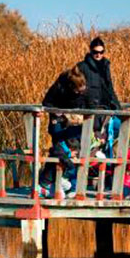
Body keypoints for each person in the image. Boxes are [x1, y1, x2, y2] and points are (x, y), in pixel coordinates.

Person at [39, 67, 94, 197]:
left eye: (83, 89)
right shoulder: (60, 87)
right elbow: (46, 102)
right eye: (77, 91)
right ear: (71, 87)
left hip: (76, 124)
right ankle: (50, 182)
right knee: (60, 151)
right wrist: (58, 113)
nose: (81, 92)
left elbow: (92, 106)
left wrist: (83, 116)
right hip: (59, 122)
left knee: (76, 153)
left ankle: (73, 186)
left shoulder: (85, 89)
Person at [76, 37, 122, 153]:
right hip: (91, 110)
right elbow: (77, 90)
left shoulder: (105, 66)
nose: (98, 55)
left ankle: (104, 154)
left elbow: (110, 88)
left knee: (118, 125)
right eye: (96, 52)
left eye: (101, 52)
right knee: (92, 137)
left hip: (106, 108)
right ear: (91, 51)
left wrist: (118, 108)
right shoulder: (82, 67)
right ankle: (94, 157)